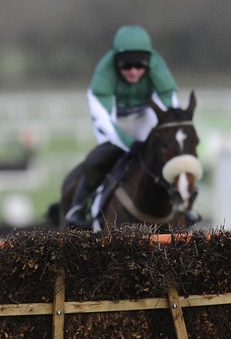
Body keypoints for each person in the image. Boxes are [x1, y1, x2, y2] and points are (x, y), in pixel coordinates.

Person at [65, 25, 199, 227]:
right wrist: (131, 143)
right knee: (101, 157)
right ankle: (79, 207)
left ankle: (183, 203)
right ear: (116, 61)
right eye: (126, 65)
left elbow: (170, 110)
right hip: (113, 119)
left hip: (144, 115)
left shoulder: (158, 68)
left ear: (149, 61)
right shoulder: (104, 73)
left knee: (167, 151)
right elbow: (105, 123)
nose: (133, 71)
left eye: (140, 65)